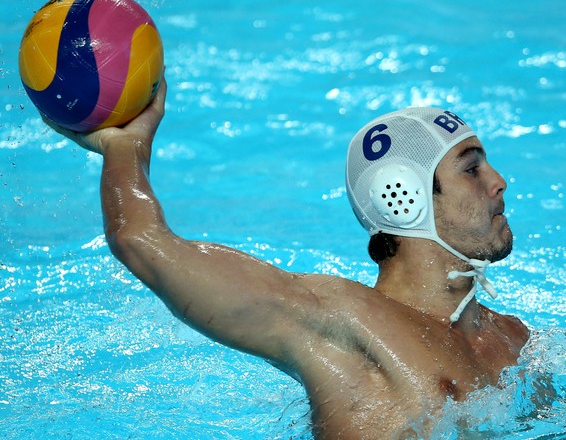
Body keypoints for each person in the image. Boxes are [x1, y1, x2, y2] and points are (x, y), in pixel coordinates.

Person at [49, 76, 529, 438]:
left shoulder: (513, 339)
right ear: (402, 195)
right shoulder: (339, 319)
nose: (498, 180)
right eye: (471, 168)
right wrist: (126, 144)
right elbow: (141, 241)